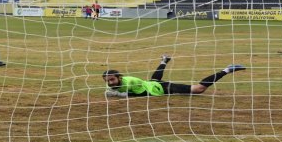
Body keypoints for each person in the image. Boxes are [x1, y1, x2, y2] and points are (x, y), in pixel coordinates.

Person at [102, 54, 246, 97]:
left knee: (198, 89)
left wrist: (123, 95)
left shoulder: (131, 81)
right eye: (108, 81)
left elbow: (145, 94)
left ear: (120, 77)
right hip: (151, 83)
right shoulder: (115, 83)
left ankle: (227, 70)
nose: (110, 83)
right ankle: (164, 60)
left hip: (161, 88)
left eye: (112, 79)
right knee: (152, 79)